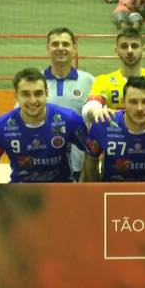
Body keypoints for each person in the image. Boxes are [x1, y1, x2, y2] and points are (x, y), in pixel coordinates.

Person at [0, 69, 87, 186]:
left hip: (62, 189)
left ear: (47, 93)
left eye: (38, 93)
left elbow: (91, 151)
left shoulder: (69, 119)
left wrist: (84, 183)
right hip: (21, 190)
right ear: (16, 96)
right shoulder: (1, 126)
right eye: (25, 94)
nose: (33, 101)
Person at [83, 77, 145, 182]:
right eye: (133, 102)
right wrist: (96, 190)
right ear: (123, 102)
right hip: (111, 190)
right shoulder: (103, 124)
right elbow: (91, 160)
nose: (140, 108)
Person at [43, 27, 95, 180]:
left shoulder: (89, 81)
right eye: (55, 44)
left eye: (65, 44)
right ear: (47, 48)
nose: (60, 48)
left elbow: (97, 125)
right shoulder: (36, 81)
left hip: (81, 165)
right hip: (43, 165)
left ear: (74, 49)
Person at [82, 28, 145, 125]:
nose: (130, 51)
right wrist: (96, 110)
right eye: (124, 46)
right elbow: (90, 106)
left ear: (143, 50)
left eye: (134, 46)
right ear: (116, 51)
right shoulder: (103, 81)